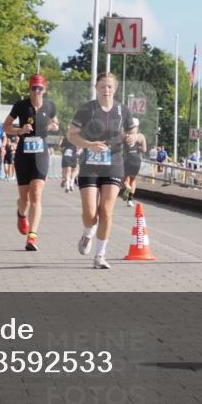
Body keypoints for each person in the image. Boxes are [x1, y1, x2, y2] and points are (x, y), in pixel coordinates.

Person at [67, 72, 136, 269]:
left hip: (114, 163)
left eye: (110, 87)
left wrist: (131, 137)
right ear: (96, 88)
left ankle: (100, 256)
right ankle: (88, 233)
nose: (106, 90)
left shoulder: (123, 110)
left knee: (106, 211)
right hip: (90, 165)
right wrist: (89, 145)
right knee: (90, 214)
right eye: (102, 86)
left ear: (115, 89)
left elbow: (132, 131)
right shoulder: (86, 109)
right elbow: (72, 135)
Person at [3, 74, 59, 251]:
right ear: (30, 88)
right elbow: (5, 126)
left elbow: (56, 122)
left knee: (36, 194)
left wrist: (53, 126)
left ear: (45, 88)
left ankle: (32, 237)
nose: (37, 91)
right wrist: (19, 130)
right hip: (23, 154)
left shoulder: (50, 105)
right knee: (24, 198)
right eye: (34, 88)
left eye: (40, 88)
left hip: (41, 153)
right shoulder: (21, 105)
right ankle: (21, 214)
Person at [121, 119, 148, 206]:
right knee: (133, 180)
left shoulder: (125, 135)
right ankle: (130, 200)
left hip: (126, 159)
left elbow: (118, 145)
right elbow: (144, 150)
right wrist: (138, 148)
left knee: (125, 180)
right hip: (136, 160)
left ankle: (127, 187)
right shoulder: (141, 136)